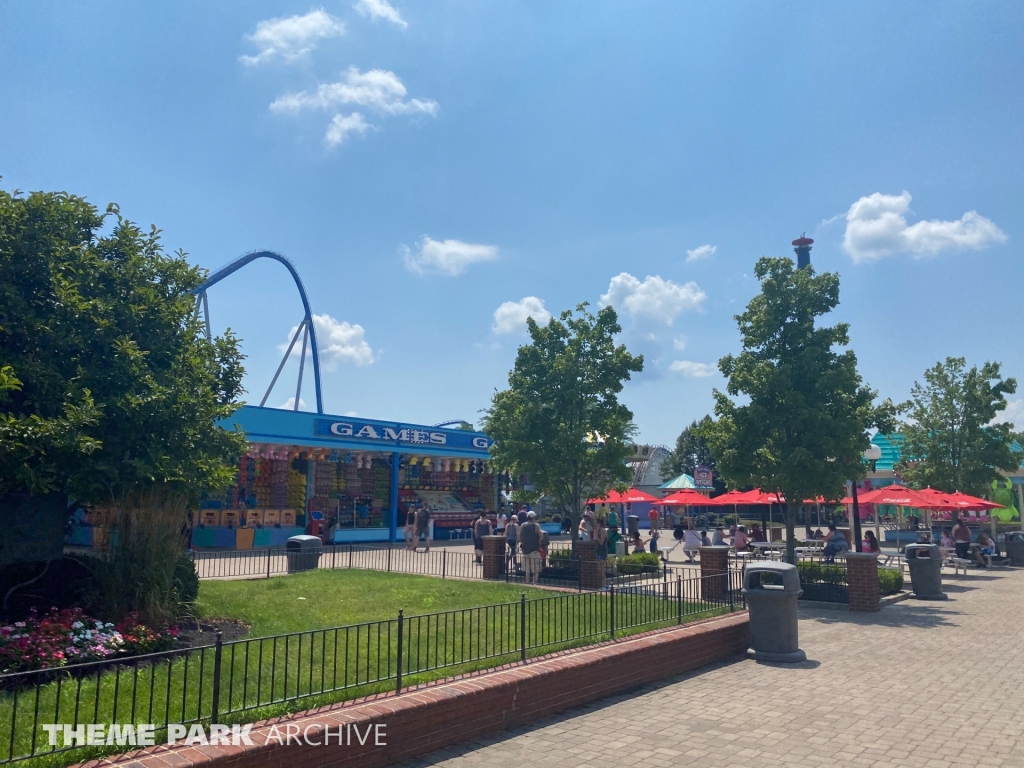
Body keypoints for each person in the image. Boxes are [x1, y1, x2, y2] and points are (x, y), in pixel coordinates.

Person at [519, 511, 543, 585]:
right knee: (536, 568)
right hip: (534, 550)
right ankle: (534, 582)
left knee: (527, 569)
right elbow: (541, 536)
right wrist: (538, 540)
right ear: (534, 517)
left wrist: (523, 542)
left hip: (525, 550)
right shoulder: (536, 525)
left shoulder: (523, 525)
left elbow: (519, 536)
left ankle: (527, 582)